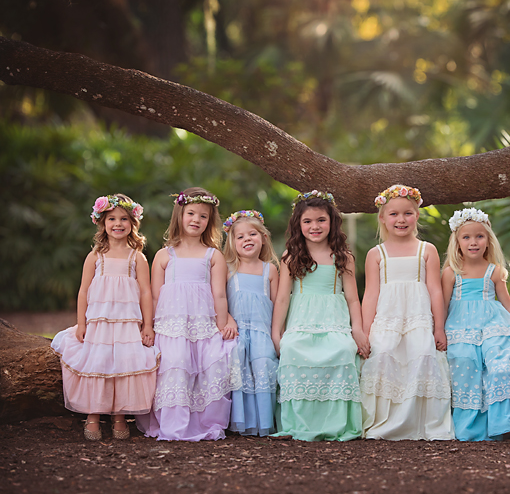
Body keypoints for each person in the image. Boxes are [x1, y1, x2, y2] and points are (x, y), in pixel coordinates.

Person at [51, 194, 159, 440]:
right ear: (102, 222)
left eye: (124, 219)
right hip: (99, 322)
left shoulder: (137, 257)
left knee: (124, 364)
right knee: (97, 363)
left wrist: (148, 326)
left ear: (133, 223)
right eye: (112, 219)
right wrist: (81, 323)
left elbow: (146, 292)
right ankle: (93, 414)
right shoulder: (95, 256)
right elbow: (83, 291)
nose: (118, 224)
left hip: (127, 323)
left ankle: (119, 416)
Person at [136, 187, 240, 441]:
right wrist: (148, 326)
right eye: (191, 213)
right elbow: (155, 295)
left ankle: (205, 422)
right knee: (174, 368)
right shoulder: (164, 255)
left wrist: (223, 322)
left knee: (207, 368)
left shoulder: (212, 255)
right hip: (170, 327)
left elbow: (219, 295)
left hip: (203, 325)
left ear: (210, 222)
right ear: (179, 216)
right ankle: (174, 424)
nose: (196, 220)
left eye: (203, 216)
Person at [270, 190, 366, 441]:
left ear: (332, 222)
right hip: (302, 323)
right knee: (292, 350)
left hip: (334, 322)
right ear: (298, 225)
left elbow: (353, 298)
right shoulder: (291, 257)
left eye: (321, 220)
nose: (315, 226)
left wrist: (357, 330)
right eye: (308, 221)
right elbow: (282, 298)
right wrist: (276, 332)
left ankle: (337, 422)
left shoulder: (343, 258)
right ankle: (300, 422)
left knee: (343, 351)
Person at [360, 184, 454, 440]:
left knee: (422, 355)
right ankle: (384, 423)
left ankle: (420, 424)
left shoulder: (427, 250)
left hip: (418, 319)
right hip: (387, 319)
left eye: (407, 213)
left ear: (417, 215)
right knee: (384, 355)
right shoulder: (376, 254)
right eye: (393, 214)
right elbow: (370, 295)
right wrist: (365, 332)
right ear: (382, 218)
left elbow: (435, 290)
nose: (401, 220)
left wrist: (438, 327)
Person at [441, 208, 510, 441]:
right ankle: (467, 426)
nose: (473, 242)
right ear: (457, 242)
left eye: (479, 236)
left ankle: (500, 422)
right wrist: (439, 331)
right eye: (466, 237)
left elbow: (508, 305)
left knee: (499, 362)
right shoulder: (450, 273)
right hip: (460, 327)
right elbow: (443, 305)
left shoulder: (494, 271)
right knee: (465, 361)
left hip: (492, 325)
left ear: (488, 241)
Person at [223, 210, 279, 436]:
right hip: (237, 331)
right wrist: (227, 320)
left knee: (263, 366)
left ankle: (264, 422)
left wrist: (277, 335)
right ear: (232, 242)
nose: (247, 239)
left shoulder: (270, 269)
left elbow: (277, 305)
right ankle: (240, 421)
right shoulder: (228, 269)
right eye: (240, 236)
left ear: (263, 238)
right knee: (238, 366)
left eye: (252, 234)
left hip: (263, 332)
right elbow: (218, 299)